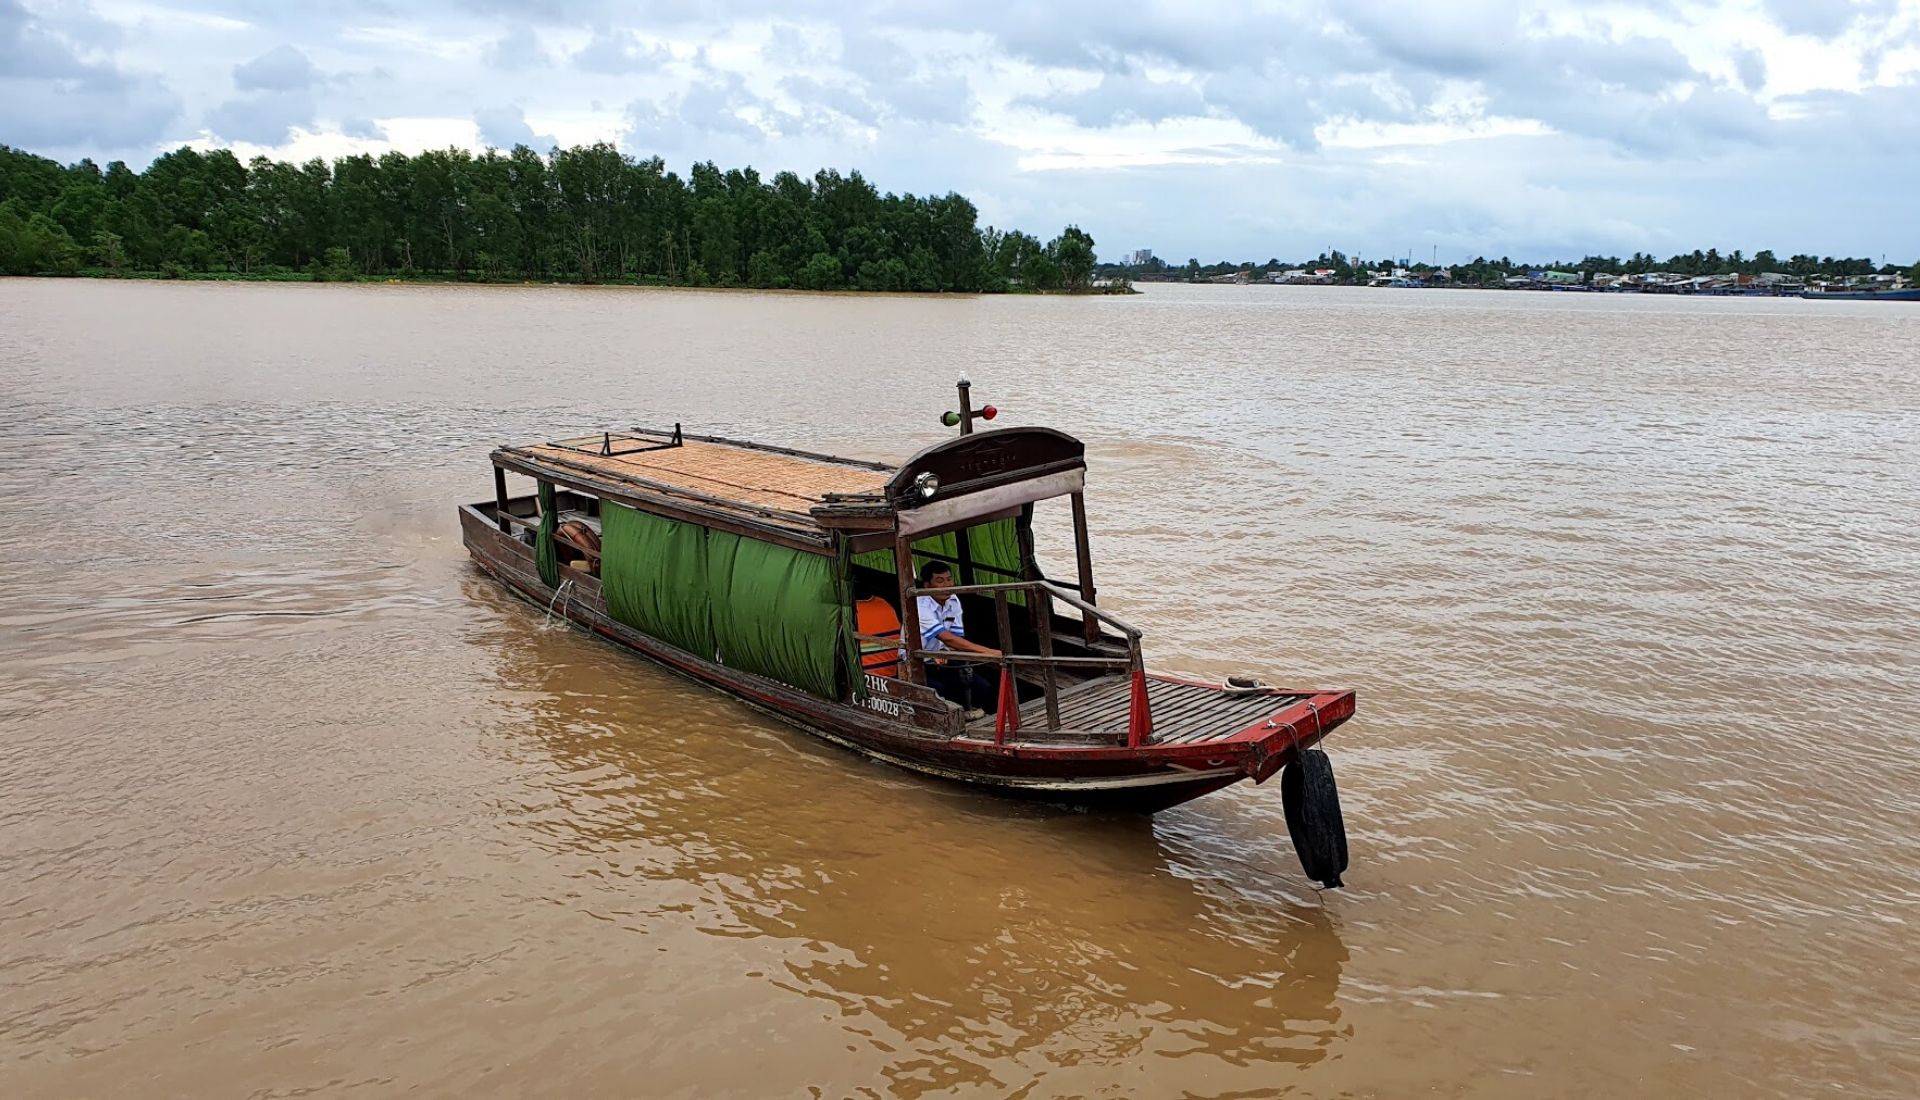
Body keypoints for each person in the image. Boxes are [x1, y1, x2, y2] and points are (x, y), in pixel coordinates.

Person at [914, 562, 1001, 717]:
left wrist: (944, 652)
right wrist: (990, 652)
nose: (947, 585)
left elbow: (956, 638)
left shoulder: (953, 599)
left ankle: (987, 722)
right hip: (918, 662)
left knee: (983, 686)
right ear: (927, 585)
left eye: (949, 579)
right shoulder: (919, 605)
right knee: (939, 691)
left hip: (945, 659)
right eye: (940, 581)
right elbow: (948, 639)